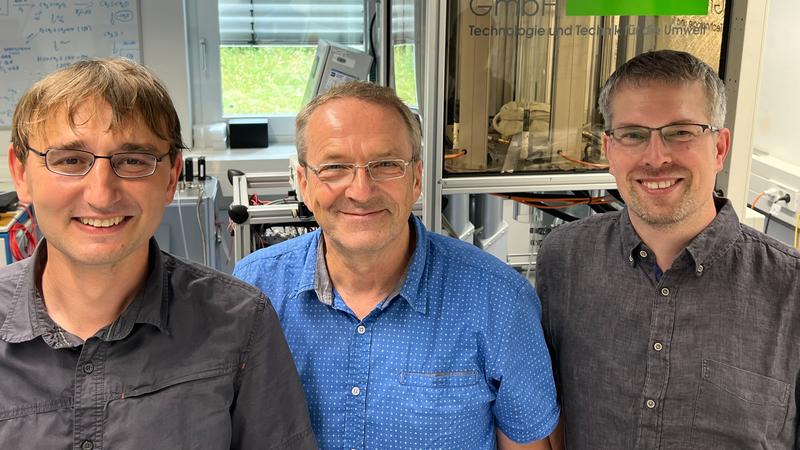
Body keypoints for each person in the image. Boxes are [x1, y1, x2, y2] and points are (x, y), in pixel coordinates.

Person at [0, 57, 315, 449]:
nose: (101, 195)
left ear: (170, 177)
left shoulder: (240, 325)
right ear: (21, 174)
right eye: (70, 161)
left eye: (133, 161)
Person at [234, 81, 560, 449]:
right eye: (335, 167)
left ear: (417, 178)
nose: (361, 190)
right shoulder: (254, 291)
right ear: (304, 183)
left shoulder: (499, 301)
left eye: (386, 165)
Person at [537, 49, 800, 449]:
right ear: (609, 150)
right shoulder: (564, 260)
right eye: (633, 134)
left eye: (680, 132)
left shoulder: (791, 291)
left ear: (719, 148)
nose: (656, 157)